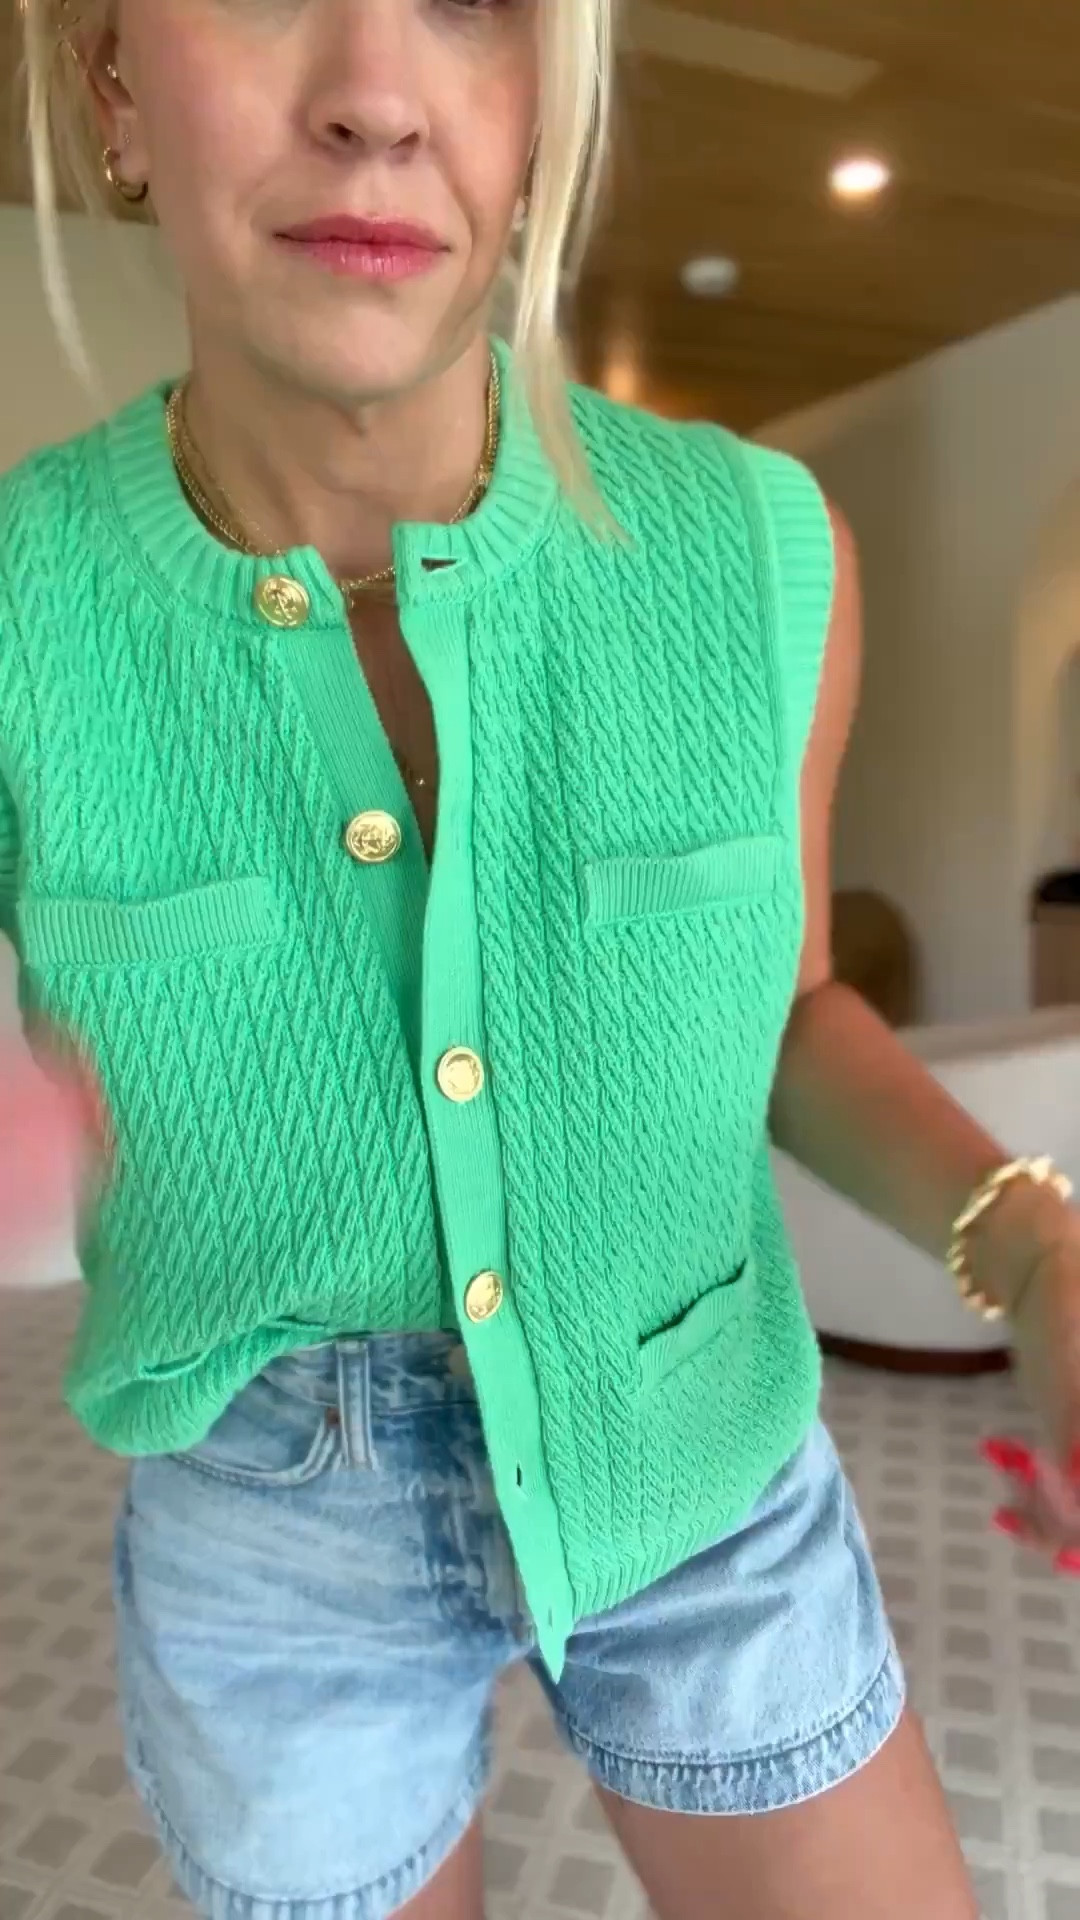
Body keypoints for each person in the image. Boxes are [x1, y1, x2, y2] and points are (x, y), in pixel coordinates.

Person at [2, 4, 1078, 1917]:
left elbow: (785, 1008)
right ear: (111, 85)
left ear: (541, 100)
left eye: (473, 0)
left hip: (702, 1441)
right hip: (270, 1528)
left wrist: (1038, 1248)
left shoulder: (756, 552)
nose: (374, 97)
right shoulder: (23, 609)